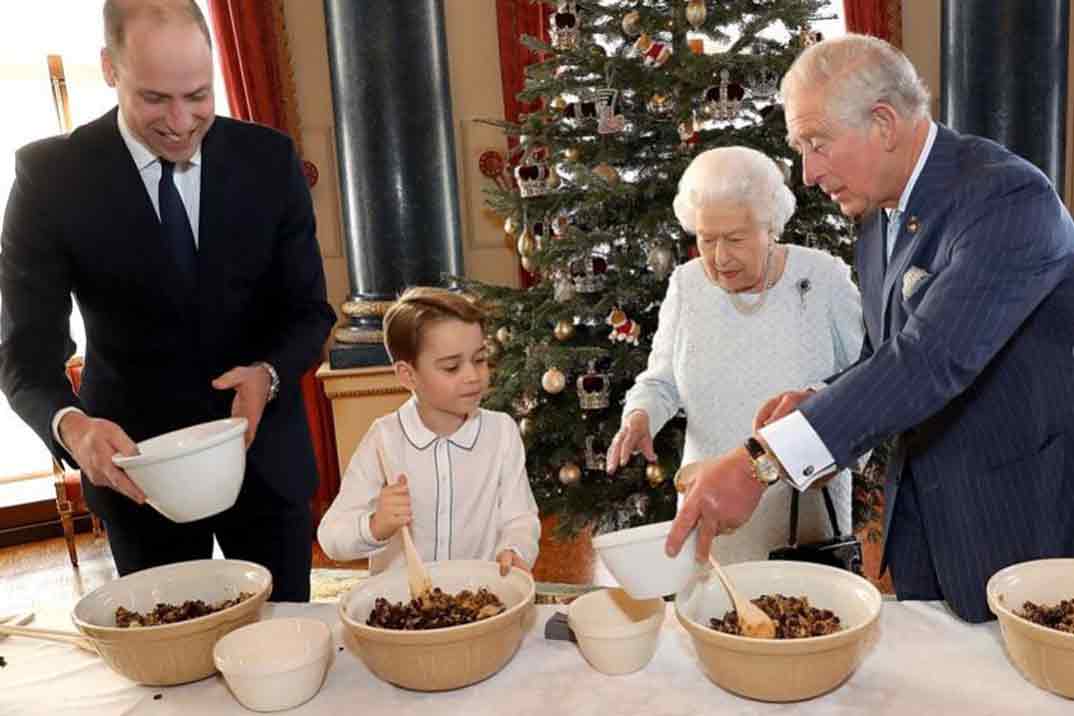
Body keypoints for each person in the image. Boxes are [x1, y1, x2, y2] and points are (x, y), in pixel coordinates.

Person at [666, 34, 1074, 623]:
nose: (807, 173)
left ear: (883, 122)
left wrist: (764, 460)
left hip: (1014, 520)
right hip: (925, 526)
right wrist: (823, 398)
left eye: (816, 144)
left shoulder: (1008, 200)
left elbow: (928, 360)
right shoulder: (879, 213)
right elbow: (886, 352)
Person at [0, 0, 336, 601]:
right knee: (171, 675)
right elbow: (24, 356)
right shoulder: (50, 179)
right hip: (136, 478)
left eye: (199, 96)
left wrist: (268, 374)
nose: (181, 122)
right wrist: (74, 430)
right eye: (155, 98)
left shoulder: (269, 160)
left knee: (285, 661)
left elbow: (309, 312)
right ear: (110, 68)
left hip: (265, 466)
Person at [605, 146, 864, 564]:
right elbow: (662, 381)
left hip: (802, 518)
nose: (720, 257)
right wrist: (640, 416)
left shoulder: (822, 278)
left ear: (771, 227)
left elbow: (865, 384)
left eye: (736, 239)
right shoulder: (687, 285)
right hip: (708, 509)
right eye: (706, 240)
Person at [317, 287, 540, 576]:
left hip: (479, 600)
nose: (473, 376)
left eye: (480, 359)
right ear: (408, 375)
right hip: (404, 609)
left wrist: (515, 549)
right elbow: (331, 536)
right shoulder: (383, 438)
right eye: (451, 367)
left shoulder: (502, 432)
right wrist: (375, 525)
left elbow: (520, 518)